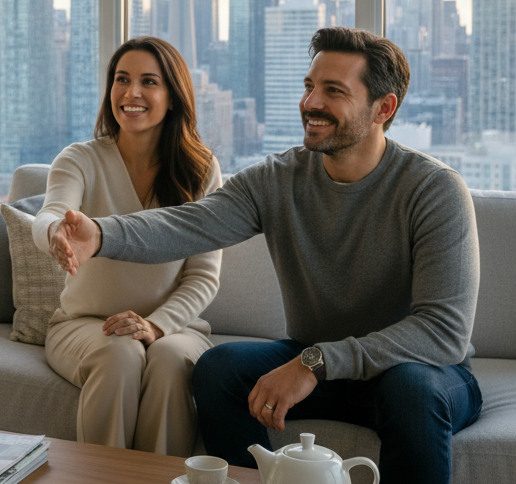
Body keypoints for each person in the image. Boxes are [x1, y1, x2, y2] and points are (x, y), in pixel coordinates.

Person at [50, 27, 482, 484]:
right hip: (318, 363)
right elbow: (188, 224)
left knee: (411, 389)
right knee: (217, 369)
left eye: (333, 91)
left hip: (417, 371)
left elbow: (443, 332)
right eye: (309, 86)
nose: (311, 103)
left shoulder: (434, 189)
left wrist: (314, 363)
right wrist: (99, 233)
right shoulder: (278, 179)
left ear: (384, 107)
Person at [33, 37, 222, 457]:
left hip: (175, 328)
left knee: (170, 359)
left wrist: (156, 326)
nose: (131, 93)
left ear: (172, 96)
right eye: (122, 80)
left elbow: (204, 276)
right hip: (84, 326)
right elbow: (51, 214)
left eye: (148, 82)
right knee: (119, 353)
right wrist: (55, 235)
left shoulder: (201, 171)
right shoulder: (79, 159)